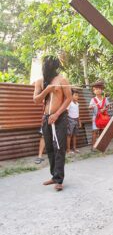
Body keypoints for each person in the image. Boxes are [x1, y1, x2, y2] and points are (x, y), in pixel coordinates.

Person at [33, 55, 72, 191]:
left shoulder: (62, 80)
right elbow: (36, 100)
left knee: (59, 148)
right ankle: (54, 176)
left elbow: (69, 98)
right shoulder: (40, 81)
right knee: (49, 148)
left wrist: (56, 114)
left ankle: (59, 180)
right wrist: (48, 90)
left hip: (59, 118)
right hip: (46, 118)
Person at [89, 81, 110, 149]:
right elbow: (90, 107)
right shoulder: (93, 99)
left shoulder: (105, 99)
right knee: (95, 131)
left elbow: (108, 106)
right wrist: (91, 107)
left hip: (103, 117)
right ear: (94, 91)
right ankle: (93, 146)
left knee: (102, 131)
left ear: (102, 90)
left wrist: (105, 108)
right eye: (95, 89)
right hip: (96, 117)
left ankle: (101, 145)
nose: (97, 90)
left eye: (99, 89)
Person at [67, 89, 81, 154]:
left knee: (75, 135)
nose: (77, 97)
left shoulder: (77, 104)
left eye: (77, 95)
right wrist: (67, 121)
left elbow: (78, 113)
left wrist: (79, 121)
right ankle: (68, 150)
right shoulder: (69, 103)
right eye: (75, 95)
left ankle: (74, 148)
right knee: (69, 135)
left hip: (76, 120)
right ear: (71, 95)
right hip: (70, 120)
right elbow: (66, 112)